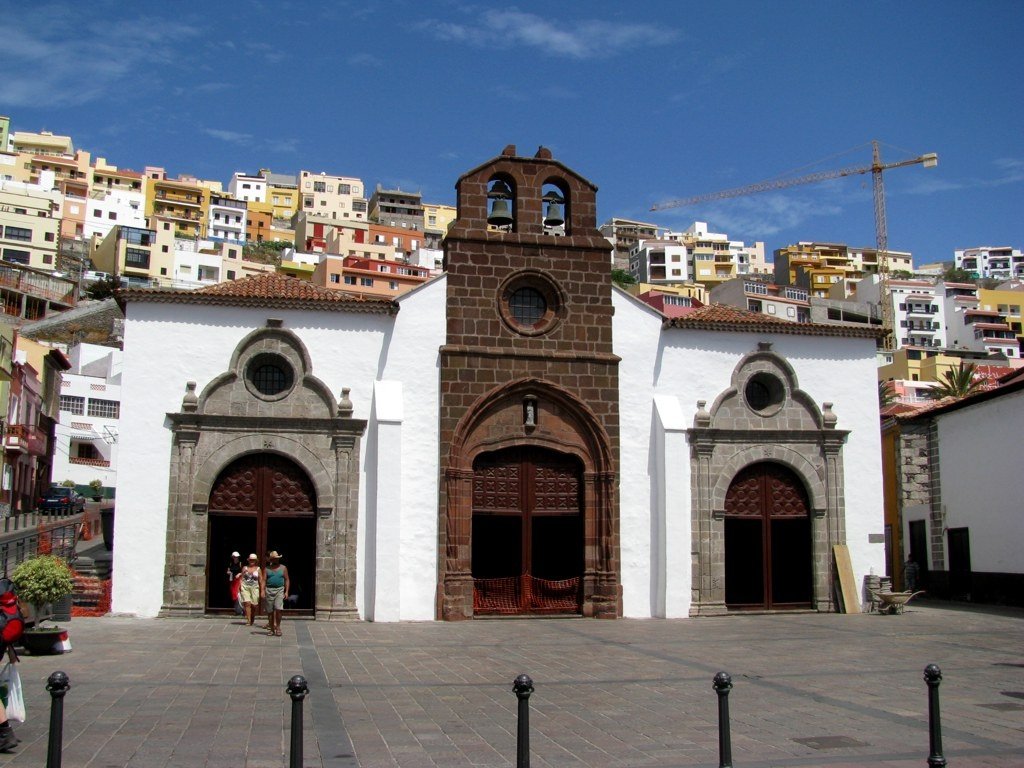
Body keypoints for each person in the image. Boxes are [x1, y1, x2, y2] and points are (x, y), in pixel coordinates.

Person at [260, 551, 289, 637]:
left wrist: (286, 591)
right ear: (271, 560)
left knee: (278, 609)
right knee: (270, 611)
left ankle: (278, 627)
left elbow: (287, 579)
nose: (275, 560)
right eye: (274, 559)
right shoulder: (267, 569)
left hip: (279, 590)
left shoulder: (283, 568)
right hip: (269, 590)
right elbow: (264, 580)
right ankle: (272, 628)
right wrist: (262, 590)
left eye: (277, 559)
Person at [239, 554, 261, 626]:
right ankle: (248, 620)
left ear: (255, 561)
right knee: (247, 603)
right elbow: (241, 578)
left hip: (255, 587)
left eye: (253, 560)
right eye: (251, 560)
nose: (252, 561)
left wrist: (262, 589)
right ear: (248, 560)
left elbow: (260, 579)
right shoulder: (245, 568)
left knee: (254, 605)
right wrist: (240, 585)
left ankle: (252, 617)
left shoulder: (258, 569)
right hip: (245, 587)